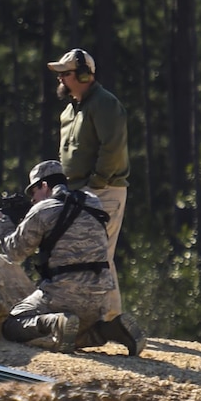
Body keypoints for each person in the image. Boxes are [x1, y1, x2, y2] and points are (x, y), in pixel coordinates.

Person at [47, 47, 145, 357]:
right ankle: (101, 322)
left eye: (67, 73)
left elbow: (113, 149)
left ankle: (114, 322)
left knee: (100, 256)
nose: (61, 78)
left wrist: (95, 184)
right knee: (87, 257)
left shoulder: (105, 104)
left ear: (85, 76)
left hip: (102, 193)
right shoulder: (70, 110)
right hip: (80, 194)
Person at [0, 159, 115, 352]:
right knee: (76, 329)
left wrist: (2, 222)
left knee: (12, 324)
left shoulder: (42, 210)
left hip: (62, 297)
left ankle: (54, 323)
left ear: (44, 185)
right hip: (100, 300)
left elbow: (15, 252)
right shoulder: (93, 201)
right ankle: (110, 329)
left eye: (34, 192)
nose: (32, 200)